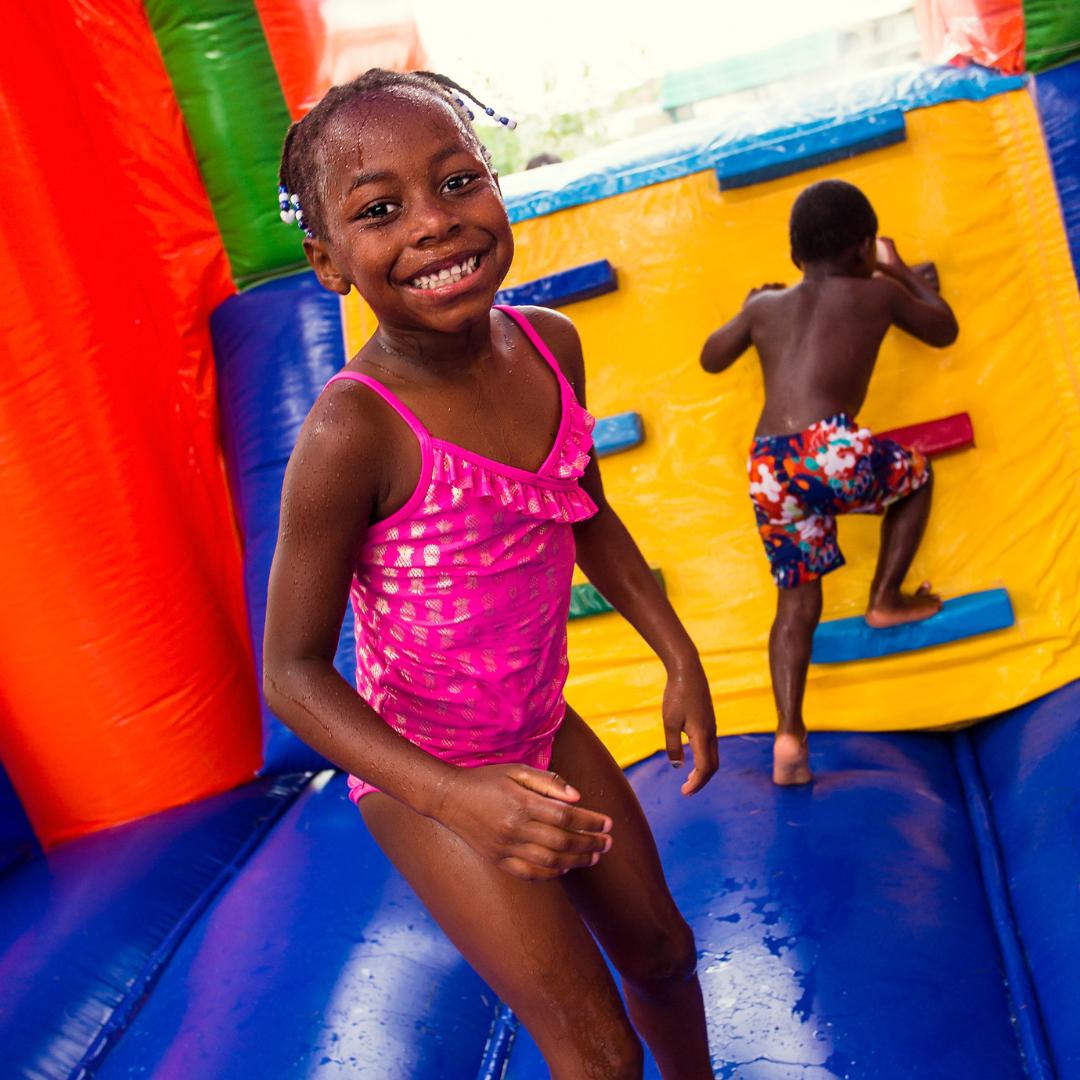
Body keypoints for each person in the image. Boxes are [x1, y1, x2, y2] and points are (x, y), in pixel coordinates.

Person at [263, 69, 719, 1080]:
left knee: (666, 951)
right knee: (598, 1057)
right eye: (380, 210)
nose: (434, 225)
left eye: (458, 182)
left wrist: (678, 654)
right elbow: (290, 672)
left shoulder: (551, 346)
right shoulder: (354, 431)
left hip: (541, 725)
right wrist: (454, 797)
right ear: (328, 261)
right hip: (426, 772)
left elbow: (587, 505)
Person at [699, 179, 959, 786]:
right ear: (865, 247)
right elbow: (943, 327)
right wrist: (902, 273)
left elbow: (712, 357)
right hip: (828, 447)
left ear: (795, 254)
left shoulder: (767, 307)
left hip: (769, 464)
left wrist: (746, 308)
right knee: (915, 478)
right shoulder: (876, 292)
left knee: (796, 599)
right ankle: (886, 598)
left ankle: (789, 736)